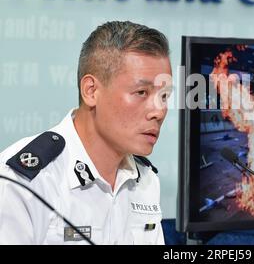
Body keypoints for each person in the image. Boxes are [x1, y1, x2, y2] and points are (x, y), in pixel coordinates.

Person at [0, 21, 172, 245]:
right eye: (141, 92)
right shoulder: (21, 181)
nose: (159, 111)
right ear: (91, 91)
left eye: (165, 96)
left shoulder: (146, 181)